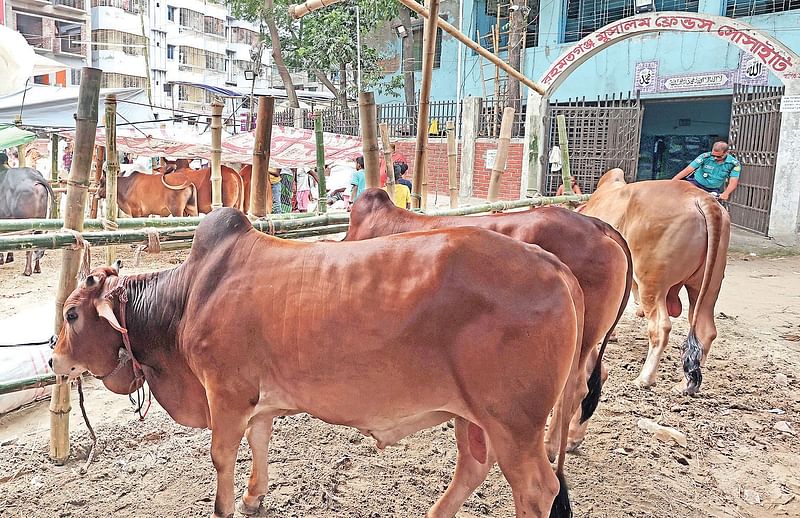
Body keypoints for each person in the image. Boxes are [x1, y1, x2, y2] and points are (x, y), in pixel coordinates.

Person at [672, 141, 741, 201]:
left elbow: (733, 182)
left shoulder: (734, 164)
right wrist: (673, 181)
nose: (715, 158)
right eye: (713, 155)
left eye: (719, 157)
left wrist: (726, 194)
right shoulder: (705, 157)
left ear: (726, 152)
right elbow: (688, 169)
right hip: (695, 184)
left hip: (712, 191)